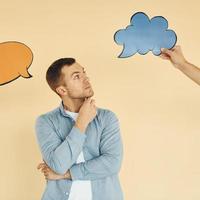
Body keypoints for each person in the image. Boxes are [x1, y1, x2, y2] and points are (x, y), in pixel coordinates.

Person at [35, 58, 123, 200]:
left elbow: (112, 163)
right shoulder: (45, 122)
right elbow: (58, 165)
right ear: (62, 90)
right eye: (77, 76)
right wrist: (81, 122)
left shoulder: (107, 118)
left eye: (84, 73)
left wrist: (66, 174)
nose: (86, 78)